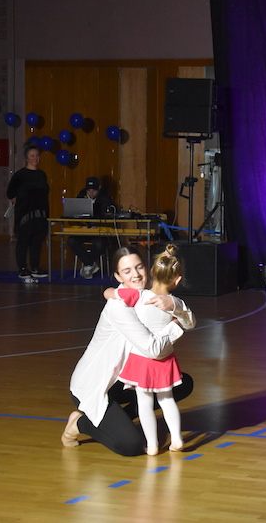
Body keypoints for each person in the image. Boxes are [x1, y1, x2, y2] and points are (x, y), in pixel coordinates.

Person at [61, 246, 195, 456]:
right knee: (131, 445)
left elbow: (190, 320)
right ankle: (80, 423)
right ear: (118, 276)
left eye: (139, 267)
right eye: (127, 271)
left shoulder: (151, 292)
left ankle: (118, 420)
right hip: (99, 383)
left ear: (147, 268)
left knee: (182, 383)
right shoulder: (118, 307)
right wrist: (175, 325)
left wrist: (175, 303)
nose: (136, 275)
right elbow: (153, 349)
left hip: (127, 376)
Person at [104, 244, 193, 455]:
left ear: (151, 272)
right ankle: (177, 438)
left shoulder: (138, 296)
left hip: (140, 360)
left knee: (144, 402)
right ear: (177, 280)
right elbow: (189, 322)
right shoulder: (175, 303)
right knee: (167, 400)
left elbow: (110, 293)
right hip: (165, 359)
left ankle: (152, 445)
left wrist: (110, 292)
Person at [6, 142, 49, 279]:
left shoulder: (42, 174)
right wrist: (19, 201)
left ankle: (35, 267)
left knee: (37, 241)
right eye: (32, 156)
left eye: (37, 155)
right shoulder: (20, 175)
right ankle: (22, 268)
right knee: (23, 241)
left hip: (40, 214)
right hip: (25, 214)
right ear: (27, 158)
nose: (35, 158)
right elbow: (10, 193)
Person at [67, 176, 116, 279]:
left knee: (99, 244)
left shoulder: (106, 199)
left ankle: (87, 265)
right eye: (89, 190)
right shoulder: (80, 197)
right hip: (83, 231)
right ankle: (90, 264)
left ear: (99, 188)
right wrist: (80, 227)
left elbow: (110, 218)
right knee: (72, 241)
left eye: (94, 190)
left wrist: (98, 226)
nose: (91, 193)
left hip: (99, 233)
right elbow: (73, 217)